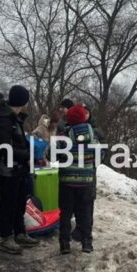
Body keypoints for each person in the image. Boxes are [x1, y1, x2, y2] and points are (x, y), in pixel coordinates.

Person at [0, 85, 39, 254]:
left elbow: (18, 142)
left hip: (18, 168)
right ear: (22, 101)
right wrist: (27, 156)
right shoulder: (5, 119)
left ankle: (20, 233)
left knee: (20, 202)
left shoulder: (15, 117)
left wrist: (29, 150)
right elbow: (3, 147)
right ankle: (6, 238)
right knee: (8, 203)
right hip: (8, 169)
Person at [57, 104, 98, 254]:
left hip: (67, 181)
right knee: (85, 212)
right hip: (86, 182)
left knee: (66, 213)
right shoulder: (92, 136)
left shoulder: (64, 136)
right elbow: (99, 155)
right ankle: (87, 243)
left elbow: (51, 155)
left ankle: (65, 244)